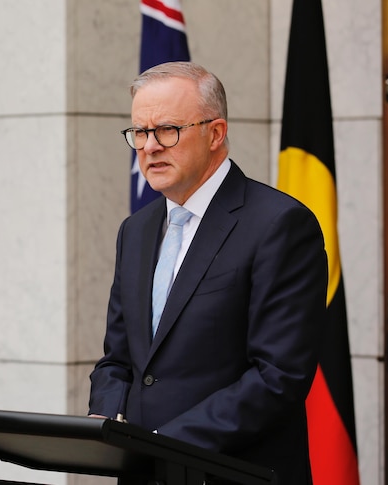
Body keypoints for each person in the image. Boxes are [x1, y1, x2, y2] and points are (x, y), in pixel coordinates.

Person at [88, 61, 327, 484]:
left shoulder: (280, 225)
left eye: (167, 130)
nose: (149, 147)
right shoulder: (137, 230)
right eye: (140, 133)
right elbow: (118, 358)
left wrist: (164, 443)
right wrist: (104, 422)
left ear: (215, 133)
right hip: (144, 471)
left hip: (233, 474)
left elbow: (277, 377)